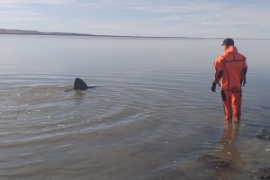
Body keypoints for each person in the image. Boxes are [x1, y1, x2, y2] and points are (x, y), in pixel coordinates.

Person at [211, 38, 248, 123]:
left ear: (226, 46)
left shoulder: (222, 58)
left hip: (226, 88)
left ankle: (228, 127)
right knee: (237, 106)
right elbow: (245, 70)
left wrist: (214, 83)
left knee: (227, 107)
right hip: (237, 86)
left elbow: (219, 72)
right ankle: (237, 124)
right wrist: (241, 80)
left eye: (223, 46)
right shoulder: (242, 57)